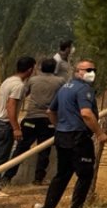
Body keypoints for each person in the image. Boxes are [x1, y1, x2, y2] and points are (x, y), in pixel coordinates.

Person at [38, 58, 107, 208]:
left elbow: (50, 111)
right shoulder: (84, 89)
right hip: (78, 138)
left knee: (61, 176)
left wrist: (60, 127)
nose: (92, 73)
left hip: (62, 137)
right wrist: (100, 133)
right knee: (85, 175)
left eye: (94, 70)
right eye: (88, 70)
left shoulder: (64, 88)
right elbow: (86, 113)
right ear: (78, 71)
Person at [0, 56, 35, 197]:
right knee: (1, 157)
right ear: (30, 69)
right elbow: (11, 106)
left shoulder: (9, 81)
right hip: (4, 124)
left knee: (0, 156)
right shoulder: (18, 85)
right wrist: (16, 128)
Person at [7, 57, 64, 185]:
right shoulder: (60, 81)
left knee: (21, 149)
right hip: (48, 120)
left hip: (31, 118)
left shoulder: (33, 80)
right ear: (55, 69)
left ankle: (7, 177)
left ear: (40, 68)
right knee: (44, 151)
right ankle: (38, 179)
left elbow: (24, 94)